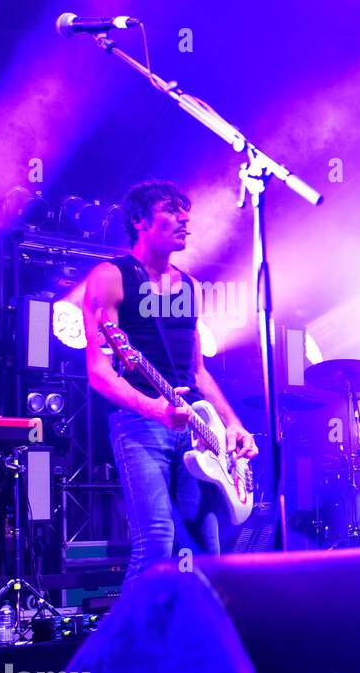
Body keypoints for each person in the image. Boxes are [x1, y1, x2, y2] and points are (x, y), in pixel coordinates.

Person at [82, 181, 258, 584]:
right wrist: (153, 409)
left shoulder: (191, 287)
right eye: (171, 209)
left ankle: (189, 643)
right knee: (157, 541)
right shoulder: (111, 276)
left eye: (186, 211)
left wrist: (233, 424)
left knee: (205, 548)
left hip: (197, 427)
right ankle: (129, 645)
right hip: (140, 421)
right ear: (140, 220)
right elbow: (98, 371)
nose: (184, 218)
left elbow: (197, 372)